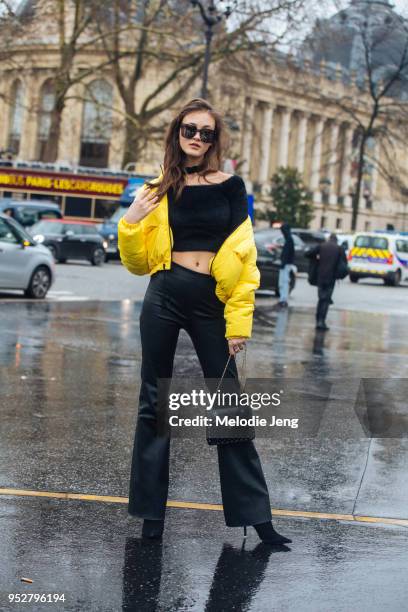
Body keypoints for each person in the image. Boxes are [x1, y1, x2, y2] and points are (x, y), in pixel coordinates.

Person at [117, 98, 291, 545]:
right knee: (154, 402)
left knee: (229, 401)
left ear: (215, 140)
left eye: (206, 132)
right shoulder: (159, 187)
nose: (196, 138)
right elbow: (136, 265)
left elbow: (246, 260)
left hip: (211, 299)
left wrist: (239, 323)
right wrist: (131, 223)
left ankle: (258, 519)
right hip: (164, 293)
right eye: (189, 129)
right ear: (177, 132)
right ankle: (151, 516)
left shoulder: (231, 187)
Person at [307, 233, 346, 331]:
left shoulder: (322, 246)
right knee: (326, 300)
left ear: (329, 239)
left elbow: (307, 254)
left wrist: (316, 259)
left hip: (320, 276)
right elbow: (344, 265)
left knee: (321, 299)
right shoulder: (339, 249)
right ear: (336, 240)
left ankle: (318, 321)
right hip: (331, 278)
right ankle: (321, 321)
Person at [277, 223, 294, 308]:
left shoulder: (289, 240)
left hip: (286, 265)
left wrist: (283, 263)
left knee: (284, 283)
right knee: (283, 283)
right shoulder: (288, 239)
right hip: (286, 264)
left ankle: (283, 299)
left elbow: (287, 253)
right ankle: (282, 299)